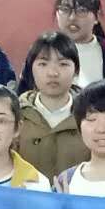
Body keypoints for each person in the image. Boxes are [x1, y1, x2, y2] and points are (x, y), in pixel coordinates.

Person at [16, 31, 90, 179]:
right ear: (30, 68)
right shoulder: (15, 114)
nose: (52, 73)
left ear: (76, 70)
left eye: (63, 64)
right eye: (43, 64)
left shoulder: (90, 116)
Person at [53, 0, 105, 88]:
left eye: (81, 10)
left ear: (97, 17)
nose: (72, 17)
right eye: (65, 9)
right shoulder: (41, 53)